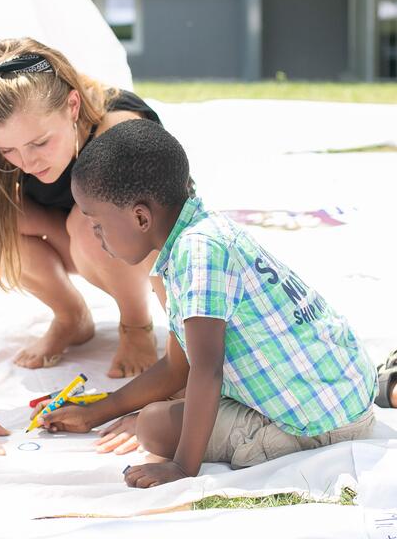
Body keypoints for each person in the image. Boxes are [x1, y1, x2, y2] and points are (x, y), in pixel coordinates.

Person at [39, 119, 378, 488]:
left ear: (140, 216)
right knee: (170, 404)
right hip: (345, 389)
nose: (96, 235)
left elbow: (205, 371)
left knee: (152, 425)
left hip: (321, 423)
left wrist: (183, 467)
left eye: (97, 223)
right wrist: (94, 414)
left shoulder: (196, 255)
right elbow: (176, 367)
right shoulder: (204, 232)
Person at [0, 37, 162, 456]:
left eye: (39, 143)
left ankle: (135, 322)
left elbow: (183, 244)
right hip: (64, 238)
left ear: (72, 107)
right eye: (7, 149)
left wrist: (177, 386)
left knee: (88, 223)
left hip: (126, 245)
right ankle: (71, 316)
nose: (27, 162)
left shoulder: (121, 133)